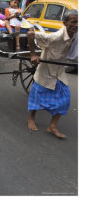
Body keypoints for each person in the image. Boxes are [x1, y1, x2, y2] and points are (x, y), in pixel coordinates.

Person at [26, 9, 78, 138]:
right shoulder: (56, 37)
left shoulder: (76, 35)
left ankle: (52, 126)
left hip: (59, 70)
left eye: (79, 22)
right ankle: (31, 117)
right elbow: (30, 35)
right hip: (46, 68)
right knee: (37, 96)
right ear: (64, 23)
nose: (77, 25)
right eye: (73, 22)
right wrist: (33, 55)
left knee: (65, 99)